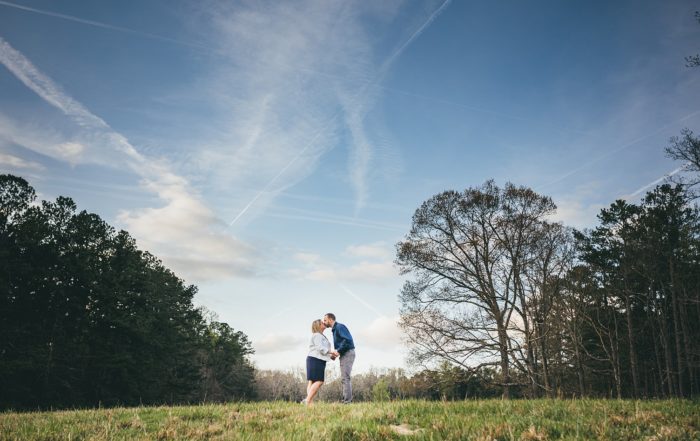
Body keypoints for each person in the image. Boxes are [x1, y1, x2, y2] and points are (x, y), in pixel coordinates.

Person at [323, 313, 355, 403]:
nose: (324, 322)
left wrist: (338, 351)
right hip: (344, 353)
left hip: (348, 353)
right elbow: (342, 343)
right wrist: (336, 353)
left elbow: (347, 340)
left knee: (345, 378)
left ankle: (347, 402)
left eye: (325, 320)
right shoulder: (334, 330)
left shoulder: (339, 327)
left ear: (330, 319)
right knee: (344, 378)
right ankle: (346, 400)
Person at [303, 319, 334, 406]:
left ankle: (309, 403)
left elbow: (322, 350)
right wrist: (331, 352)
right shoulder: (317, 335)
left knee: (311, 382)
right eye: (322, 323)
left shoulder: (320, 336)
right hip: (315, 359)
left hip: (316, 359)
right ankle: (308, 401)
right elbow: (320, 348)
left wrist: (331, 356)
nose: (324, 323)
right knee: (319, 381)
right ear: (318, 326)